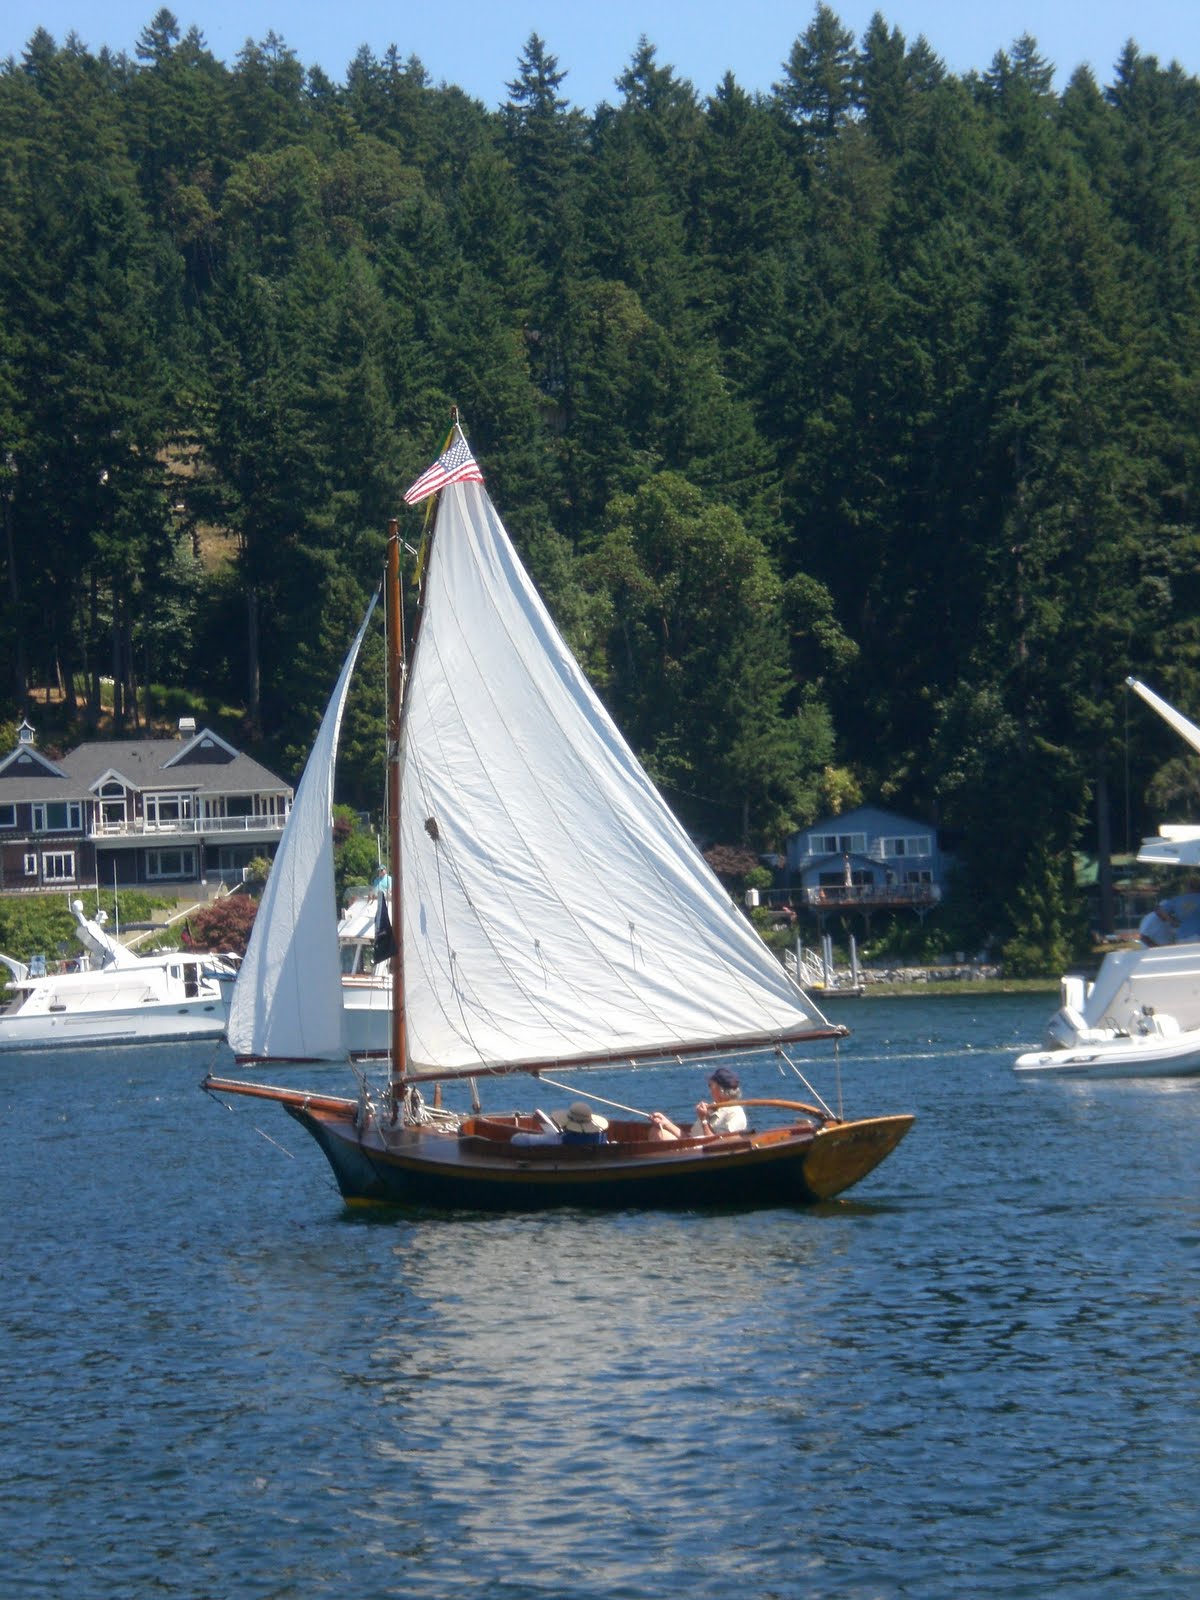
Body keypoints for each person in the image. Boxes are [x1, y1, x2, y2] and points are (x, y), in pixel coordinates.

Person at [648, 1066, 748, 1140]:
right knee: (656, 1131)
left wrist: (704, 1120)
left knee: (660, 1135)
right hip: (692, 1149)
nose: (709, 1090)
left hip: (708, 1154)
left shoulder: (735, 1113)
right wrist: (666, 1123)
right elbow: (689, 1139)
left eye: (710, 1085)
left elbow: (716, 1143)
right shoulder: (711, 1109)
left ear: (721, 1090)